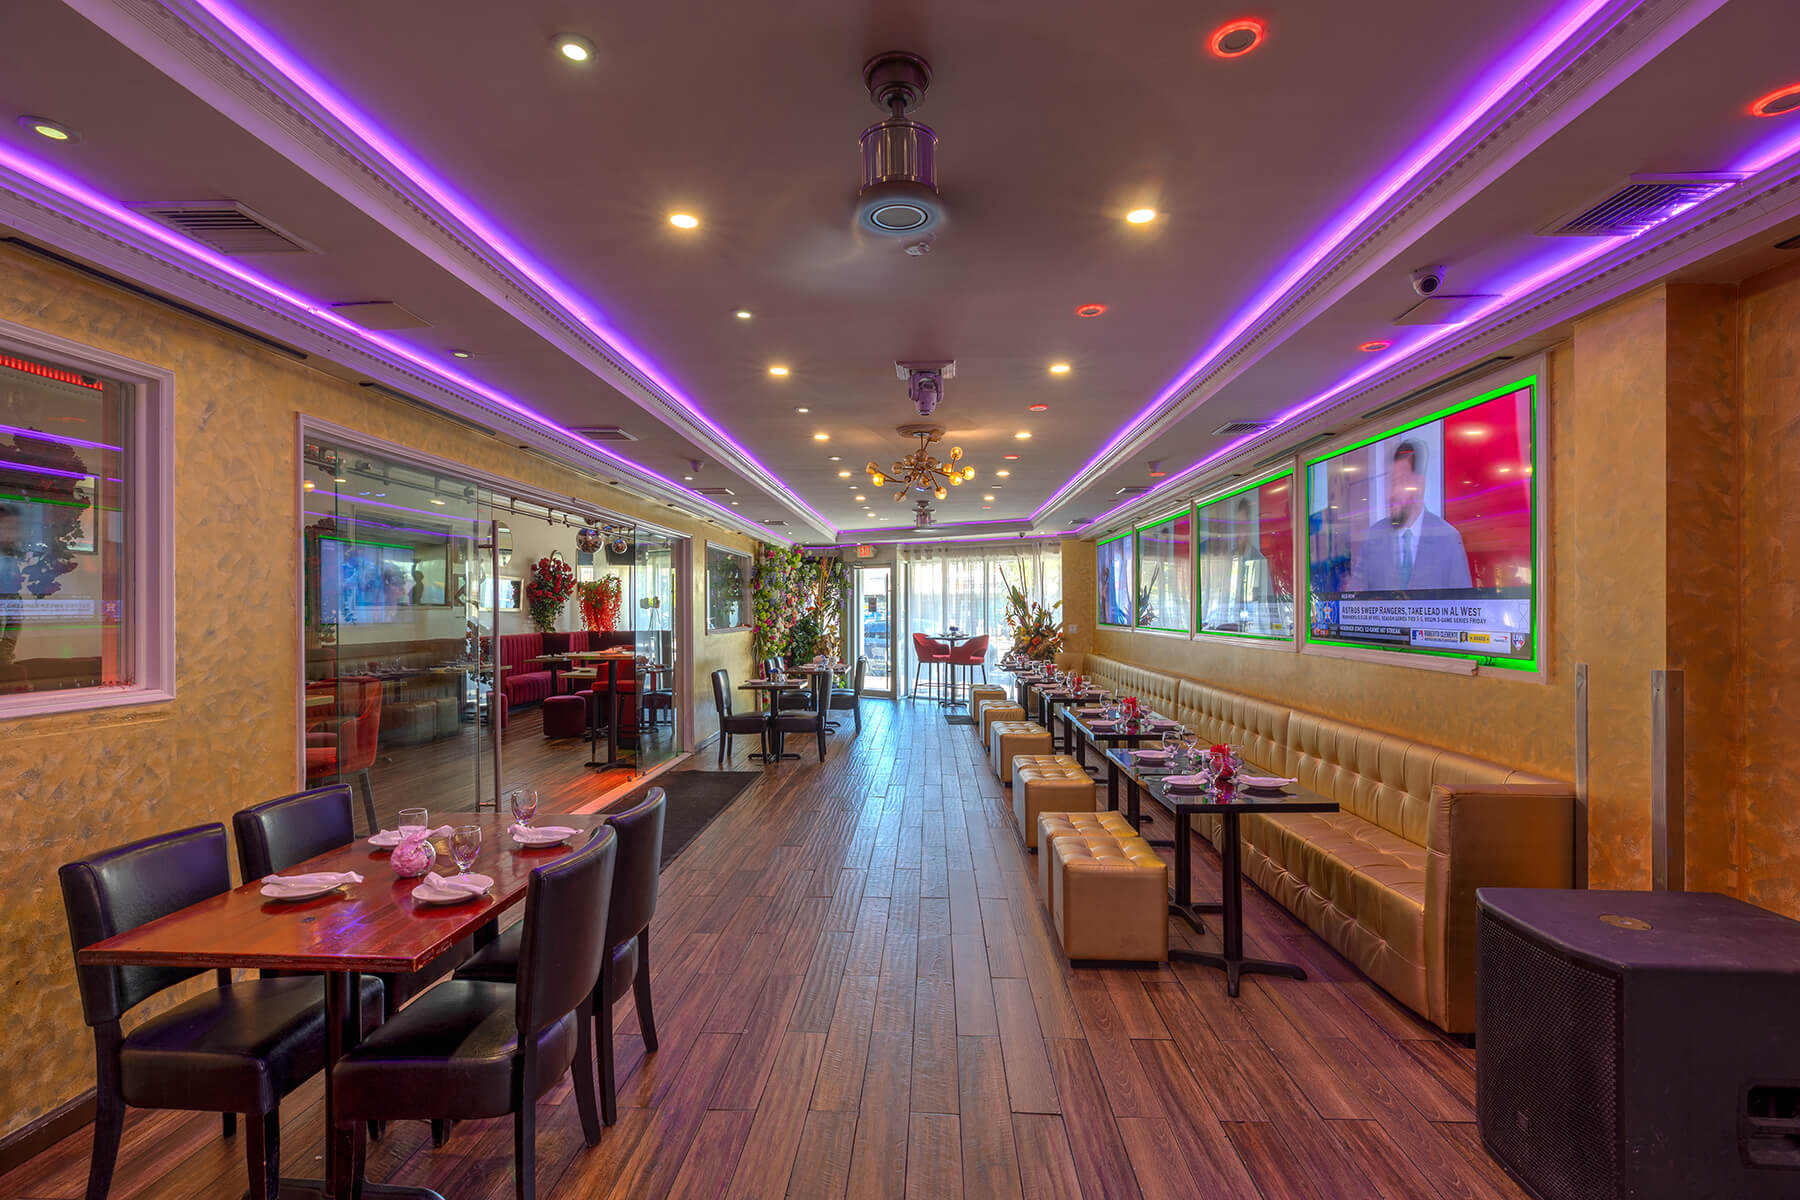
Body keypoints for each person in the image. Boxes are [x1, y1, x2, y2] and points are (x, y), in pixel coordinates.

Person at [1351, 439, 1472, 591]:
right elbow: (1356, 596)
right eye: (1392, 482)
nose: (1393, 492)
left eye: (1402, 481)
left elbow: (1463, 605)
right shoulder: (1374, 537)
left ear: (1419, 484)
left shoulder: (1448, 539)